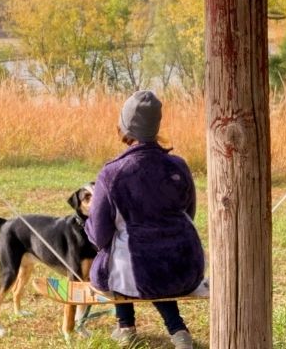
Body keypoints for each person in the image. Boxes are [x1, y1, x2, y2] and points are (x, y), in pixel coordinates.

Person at [86, 90, 205, 348]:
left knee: (115, 256)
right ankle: (178, 330)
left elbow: (98, 234)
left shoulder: (112, 174)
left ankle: (125, 326)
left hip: (143, 274)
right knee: (152, 257)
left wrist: (89, 220)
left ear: (126, 126)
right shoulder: (179, 166)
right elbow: (189, 214)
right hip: (186, 270)